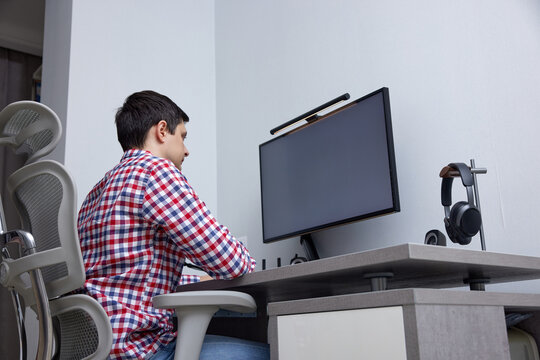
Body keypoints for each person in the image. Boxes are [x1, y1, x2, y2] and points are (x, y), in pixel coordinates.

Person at [77, 90, 269, 359]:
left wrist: (193, 279)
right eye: (183, 136)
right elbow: (235, 264)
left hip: (98, 348)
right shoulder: (155, 171)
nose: (187, 150)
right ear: (162, 131)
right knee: (283, 349)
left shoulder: (97, 191)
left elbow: (122, 277)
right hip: (141, 350)